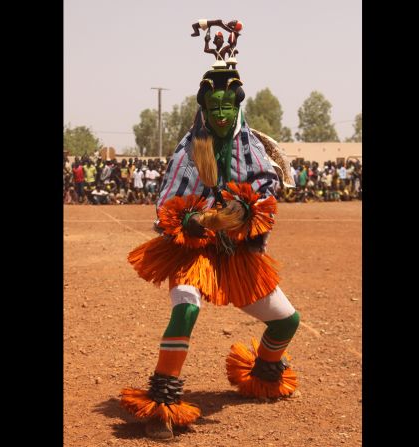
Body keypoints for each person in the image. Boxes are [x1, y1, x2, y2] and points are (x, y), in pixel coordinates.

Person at [120, 35, 301, 441]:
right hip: (192, 252)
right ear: (202, 108)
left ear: (238, 106)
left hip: (237, 256)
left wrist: (246, 213)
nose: (221, 114)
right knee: (186, 306)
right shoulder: (189, 150)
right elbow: (168, 204)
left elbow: (267, 196)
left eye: (227, 106)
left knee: (287, 321)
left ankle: (264, 372)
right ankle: (161, 404)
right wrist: (195, 220)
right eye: (214, 106)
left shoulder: (253, 149)